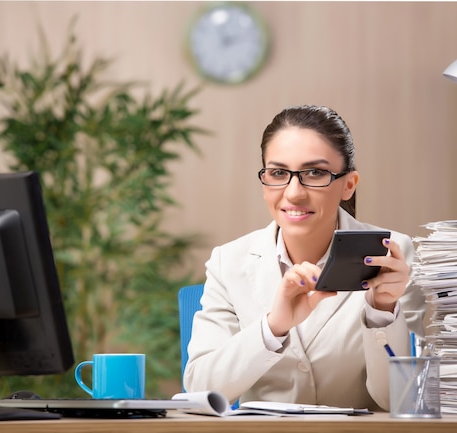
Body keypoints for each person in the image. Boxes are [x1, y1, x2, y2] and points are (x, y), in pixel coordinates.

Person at [183, 105, 426, 411]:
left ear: (348, 185)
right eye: (278, 173)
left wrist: (382, 311)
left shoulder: (392, 256)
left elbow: (404, 401)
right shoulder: (228, 262)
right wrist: (273, 328)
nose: (294, 193)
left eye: (315, 172)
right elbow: (200, 387)